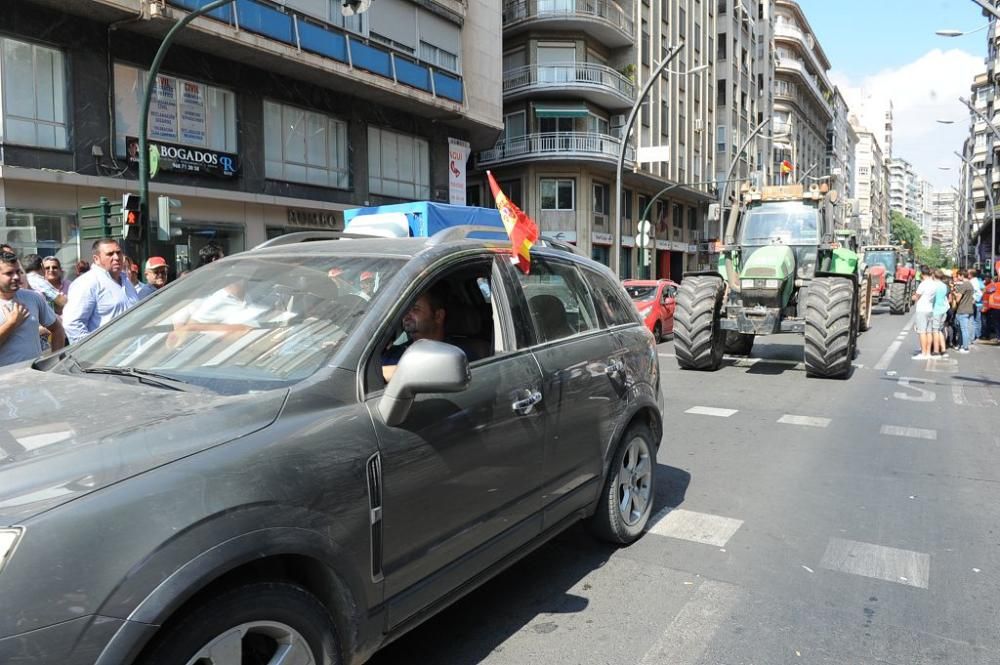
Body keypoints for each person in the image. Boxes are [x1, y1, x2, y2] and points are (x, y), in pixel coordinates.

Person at [62, 238, 139, 343]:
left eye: (118, 252)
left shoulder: (126, 281)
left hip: (134, 353)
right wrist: (91, 351)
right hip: (105, 356)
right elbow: (72, 324)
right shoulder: (87, 283)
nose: (116, 257)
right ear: (96, 259)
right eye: (110, 254)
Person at [0, 252, 65, 366]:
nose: (16, 277)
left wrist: (55, 362)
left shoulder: (33, 297)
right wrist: (11, 323)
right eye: (9, 273)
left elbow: (57, 329)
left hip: (34, 376)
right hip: (5, 379)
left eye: (18, 272)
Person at [381, 282, 451, 381]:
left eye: (415, 309)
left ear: (438, 316)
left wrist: (385, 373)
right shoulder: (394, 352)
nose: (406, 315)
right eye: (405, 309)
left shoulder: (455, 352)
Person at [911, 265, 938, 360]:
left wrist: (912, 297)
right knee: (929, 332)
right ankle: (928, 353)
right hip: (930, 309)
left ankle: (923, 353)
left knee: (922, 332)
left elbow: (916, 297)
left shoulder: (923, 284)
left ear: (922, 274)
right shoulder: (934, 284)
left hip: (922, 309)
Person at [951, 271, 976, 354]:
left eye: (958, 276)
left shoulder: (964, 285)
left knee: (963, 329)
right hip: (968, 309)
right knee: (963, 329)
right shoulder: (970, 284)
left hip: (962, 309)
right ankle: (961, 345)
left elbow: (958, 299)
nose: (957, 278)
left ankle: (965, 347)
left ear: (962, 276)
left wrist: (954, 294)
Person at [930, 269, 949, 357]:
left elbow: (932, 298)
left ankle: (936, 350)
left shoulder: (934, 285)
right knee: (940, 330)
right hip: (943, 309)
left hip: (936, 310)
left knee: (935, 330)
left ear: (934, 275)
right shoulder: (944, 285)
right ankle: (944, 349)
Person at [968, 268, 985, 343]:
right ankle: (974, 336)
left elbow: (981, 291)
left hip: (978, 304)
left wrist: (974, 300)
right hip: (977, 303)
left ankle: (975, 336)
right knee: (974, 320)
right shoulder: (975, 281)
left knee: (975, 320)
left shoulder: (976, 281)